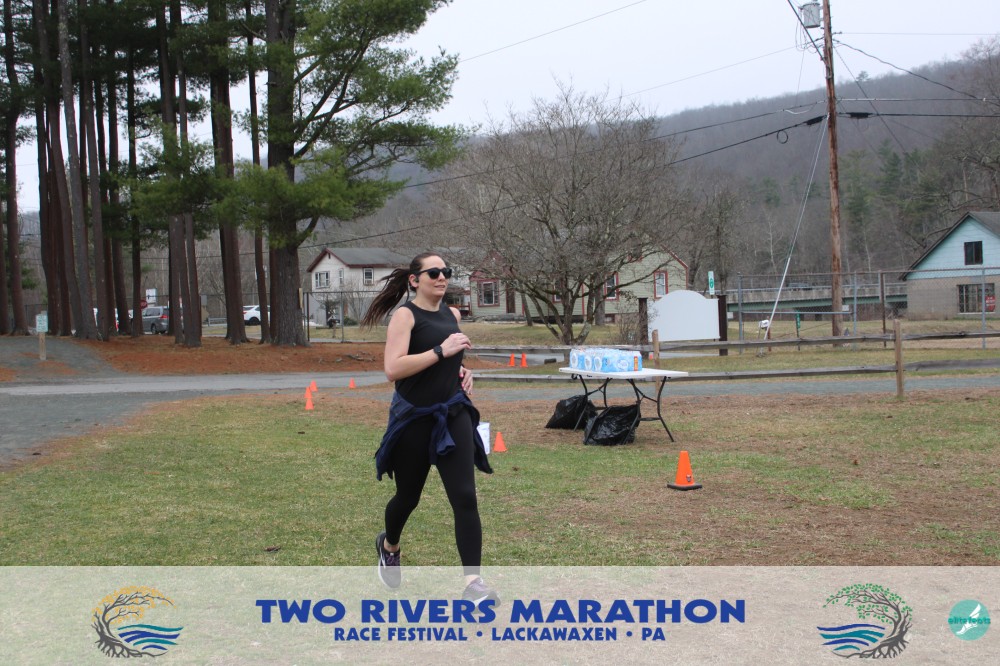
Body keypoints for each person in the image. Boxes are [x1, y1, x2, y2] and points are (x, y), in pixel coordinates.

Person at [362, 252, 498, 604]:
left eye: (446, 271)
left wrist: (462, 370)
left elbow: (448, 360)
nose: (442, 277)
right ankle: (389, 545)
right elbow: (393, 369)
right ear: (414, 280)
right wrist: (441, 350)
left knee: (465, 497)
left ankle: (473, 584)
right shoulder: (405, 316)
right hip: (414, 419)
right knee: (408, 497)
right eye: (433, 272)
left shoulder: (452, 314)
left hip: (452, 414)